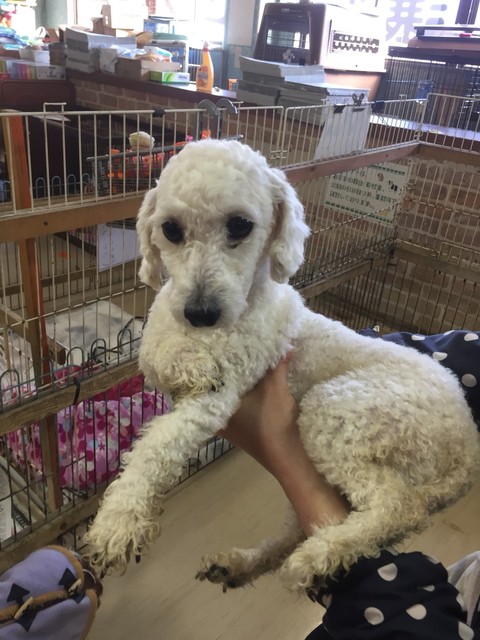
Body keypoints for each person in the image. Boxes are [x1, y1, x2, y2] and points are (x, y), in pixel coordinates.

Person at [220, 354, 478, 640]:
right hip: (440, 597)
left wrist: (284, 452)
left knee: (324, 425)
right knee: (333, 474)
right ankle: (264, 558)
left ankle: (362, 519)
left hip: (396, 611)